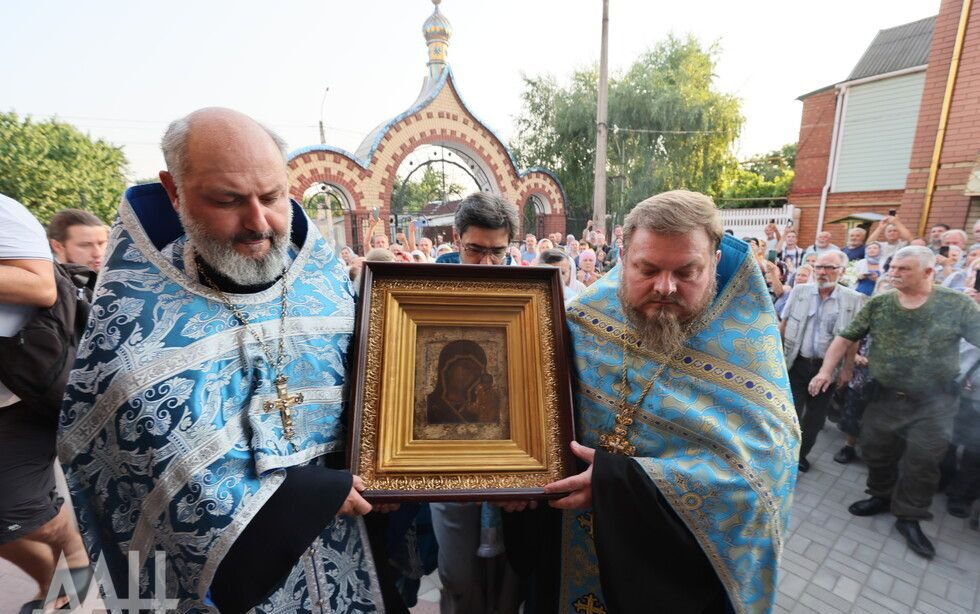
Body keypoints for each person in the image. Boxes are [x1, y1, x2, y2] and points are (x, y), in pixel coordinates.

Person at [57, 108, 384, 612]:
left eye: (274, 197)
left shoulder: (324, 281)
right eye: (228, 200)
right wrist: (313, 497)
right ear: (174, 190)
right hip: (235, 584)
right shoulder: (135, 318)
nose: (258, 223)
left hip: (353, 553)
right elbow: (147, 460)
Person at [541, 190, 799, 613]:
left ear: (714, 261)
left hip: (671, 576)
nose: (665, 287)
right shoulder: (582, 322)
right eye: (647, 269)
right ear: (623, 256)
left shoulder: (748, 351)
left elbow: (761, 483)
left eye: (687, 271)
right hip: (569, 541)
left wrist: (622, 484)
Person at [808, 246, 980, 559]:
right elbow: (845, 337)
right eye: (893, 267)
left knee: (923, 460)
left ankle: (910, 517)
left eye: (904, 269)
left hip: (935, 403)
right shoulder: (880, 304)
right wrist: (825, 370)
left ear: (928, 272)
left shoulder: (957, 305)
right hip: (885, 398)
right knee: (875, 450)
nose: (894, 273)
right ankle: (882, 495)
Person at [0, 194, 92, 614]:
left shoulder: (4, 212)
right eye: (88, 244)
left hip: (27, 395)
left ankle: (78, 559)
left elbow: (39, 286)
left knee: (21, 510)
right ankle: (58, 585)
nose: (97, 253)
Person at [432, 192, 522, 613]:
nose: (487, 263)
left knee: (511, 573)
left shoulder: (529, 297)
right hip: (443, 457)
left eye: (497, 253)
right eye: (475, 250)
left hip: (514, 457)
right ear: (456, 239)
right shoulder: (420, 294)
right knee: (457, 574)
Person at [779, 250, 865, 472]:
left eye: (829, 268)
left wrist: (847, 369)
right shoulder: (799, 291)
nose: (822, 272)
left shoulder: (853, 299)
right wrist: (775, 356)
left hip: (827, 370)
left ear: (842, 271)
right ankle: (784, 455)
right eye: (818, 267)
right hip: (797, 363)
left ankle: (801, 455)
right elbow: (784, 324)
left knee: (815, 420)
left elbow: (852, 339)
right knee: (791, 414)